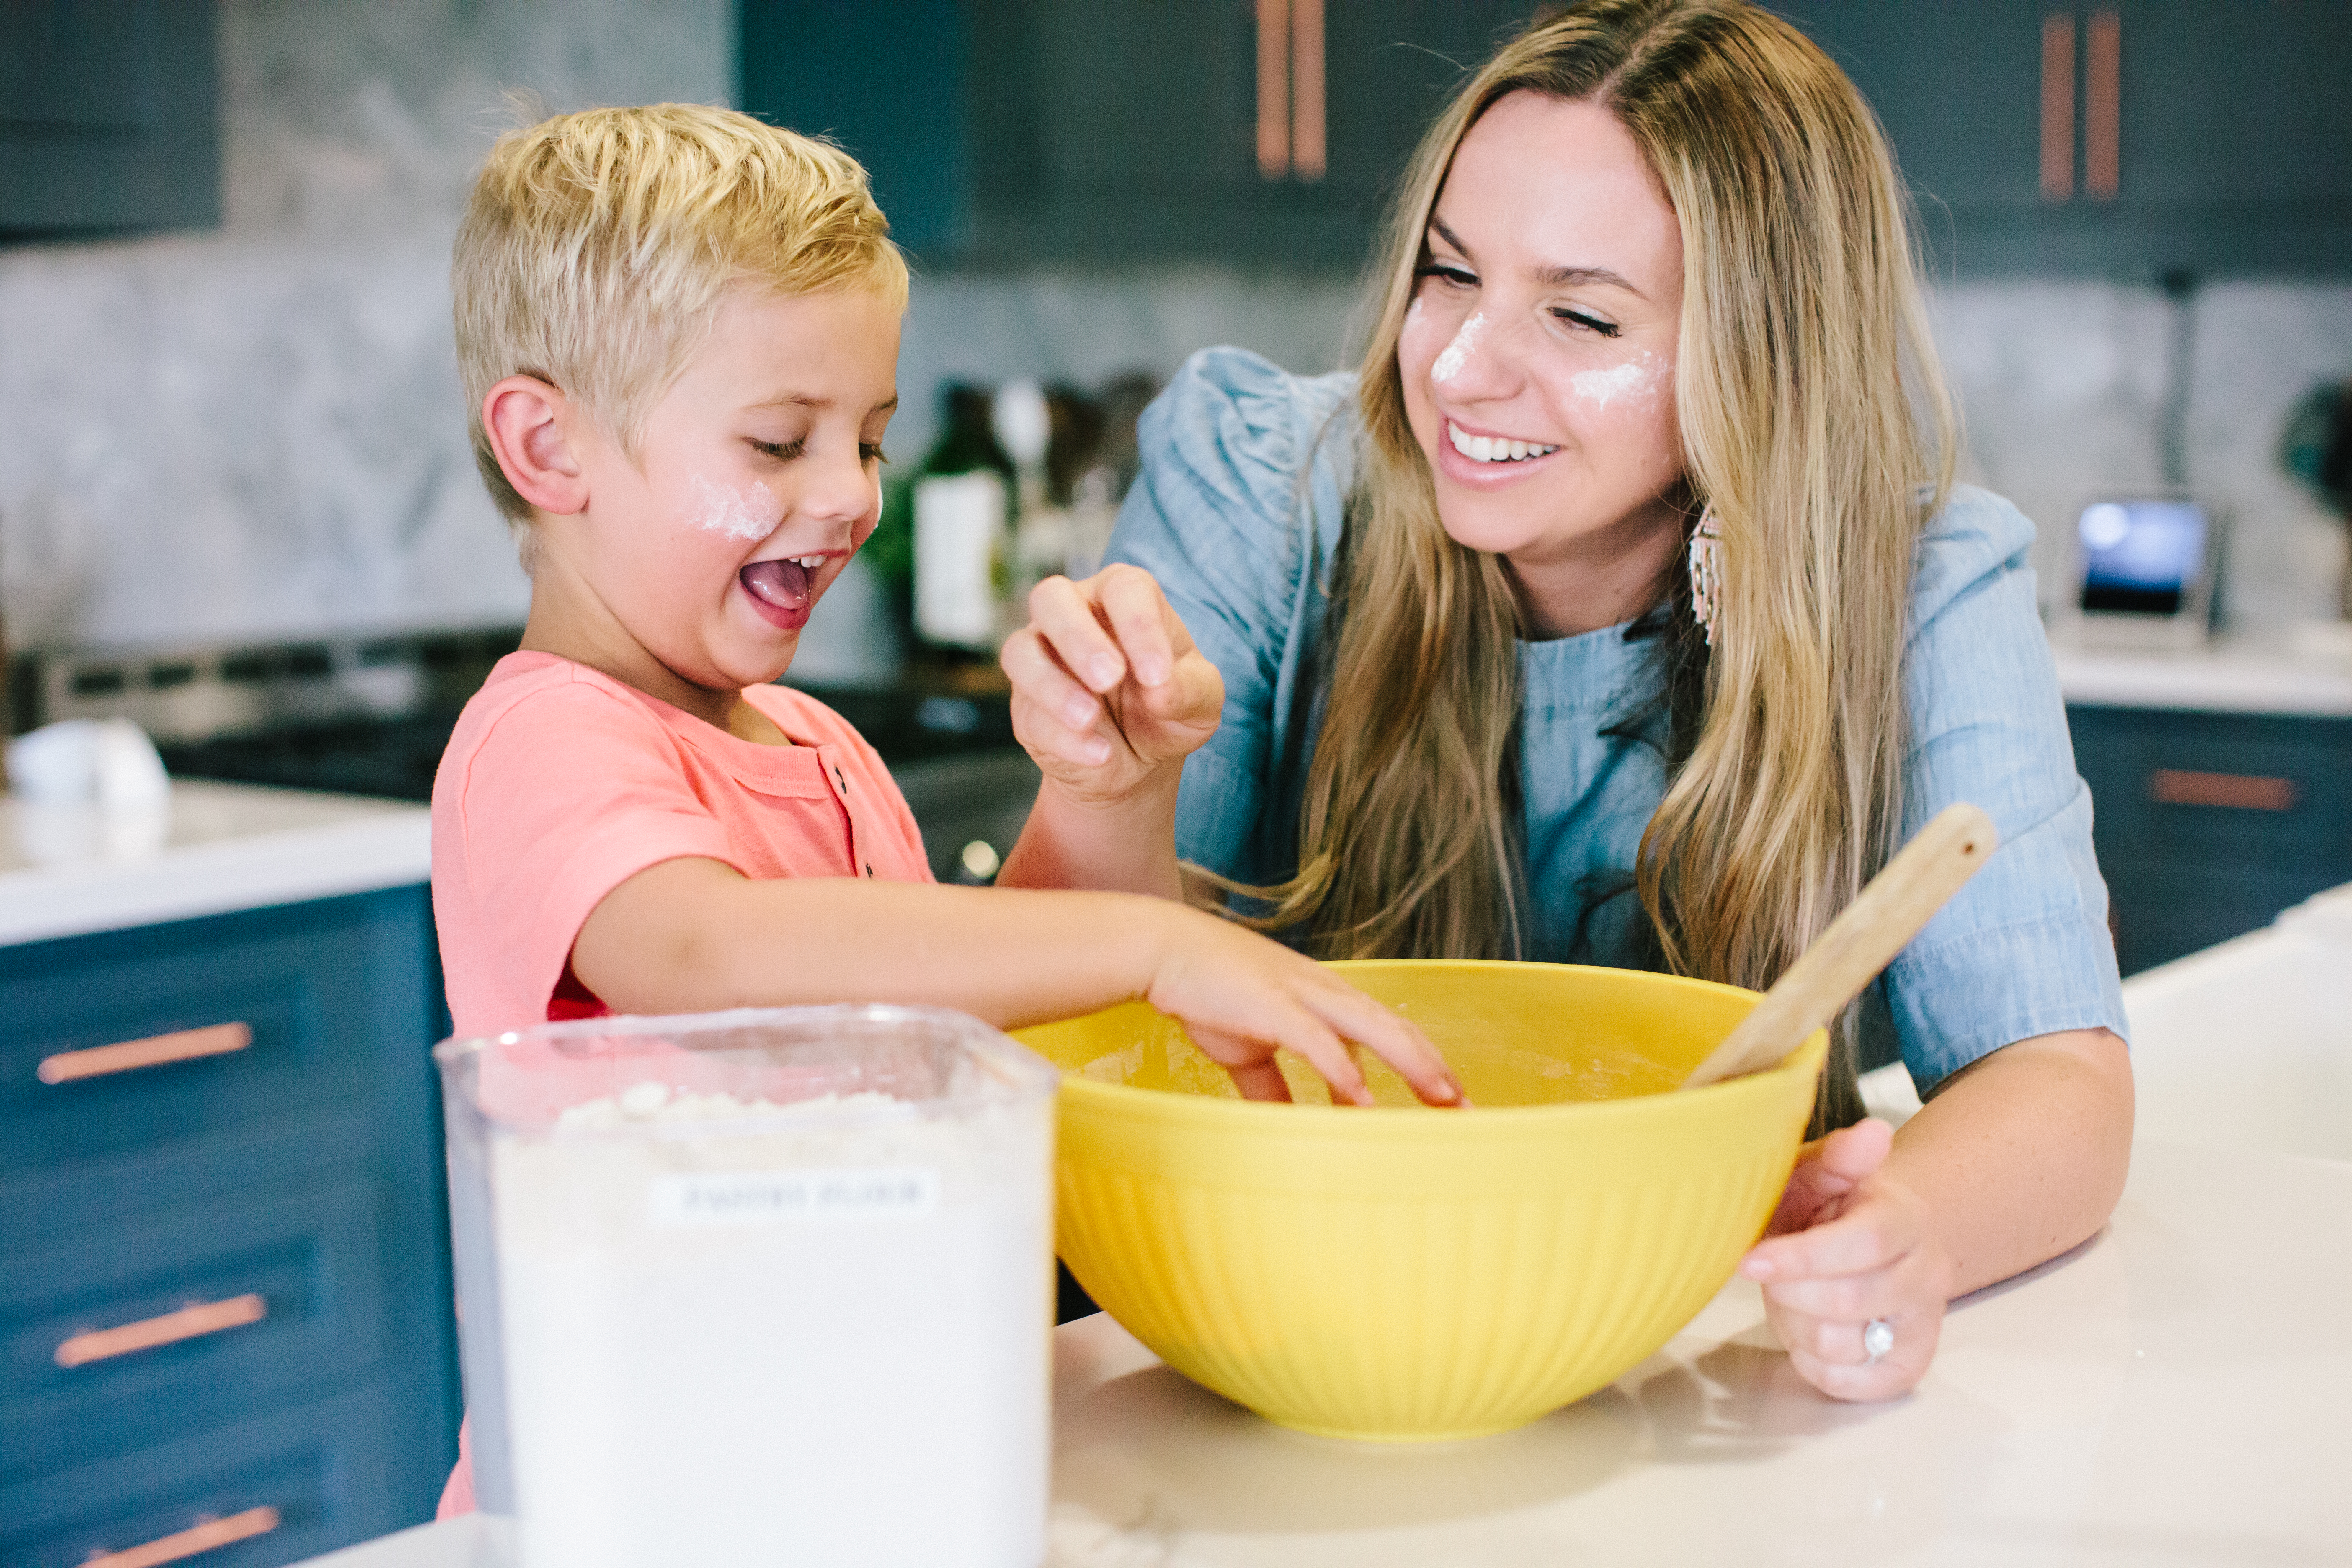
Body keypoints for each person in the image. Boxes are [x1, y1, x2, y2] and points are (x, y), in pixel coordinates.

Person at [997, 0, 2134, 1403]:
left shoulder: (1917, 584)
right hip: (1279, 1350)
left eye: (1582, 313)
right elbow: (1065, 1026)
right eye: (1449, 275)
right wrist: (1111, 786)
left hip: (1681, 1368)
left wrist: (1907, 1232)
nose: (1462, 367)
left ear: (1764, 351)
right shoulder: (1260, 480)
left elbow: (2061, 1084)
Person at [430, 102, 1461, 1515]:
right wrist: (1159, 952)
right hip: (644, 1494)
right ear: (550, 450)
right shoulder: (545, 737)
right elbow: (707, 960)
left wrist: (1116, 784)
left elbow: (980, 1008)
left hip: (859, 1455)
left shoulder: (815, 741)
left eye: (870, 437)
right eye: (780, 442)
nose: (851, 497)